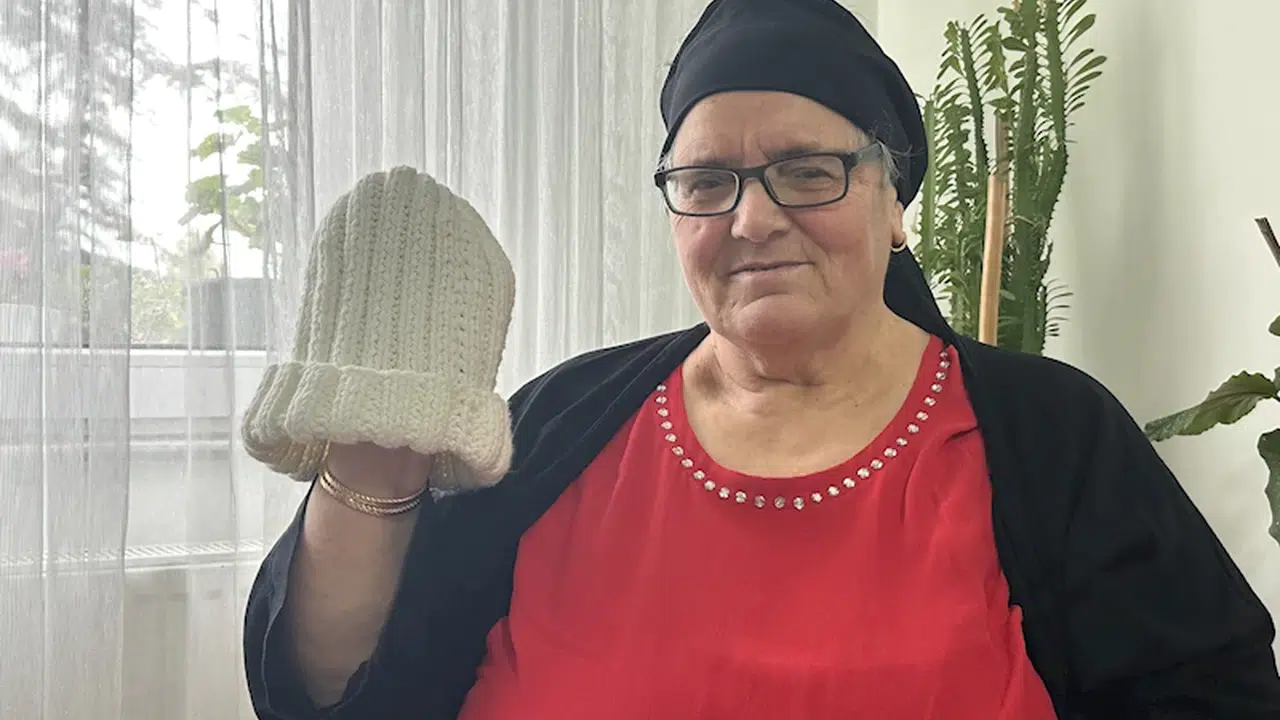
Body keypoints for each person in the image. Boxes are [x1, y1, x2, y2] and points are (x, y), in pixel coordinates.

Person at [240, 0, 1280, 717]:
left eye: (806, 170)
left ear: (894, 203)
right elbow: (339, 694)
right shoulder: (561, 421)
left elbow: (1212, 697)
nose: (751, 219)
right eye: (706, 183)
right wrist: (377, 444)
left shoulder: (1050, 436)